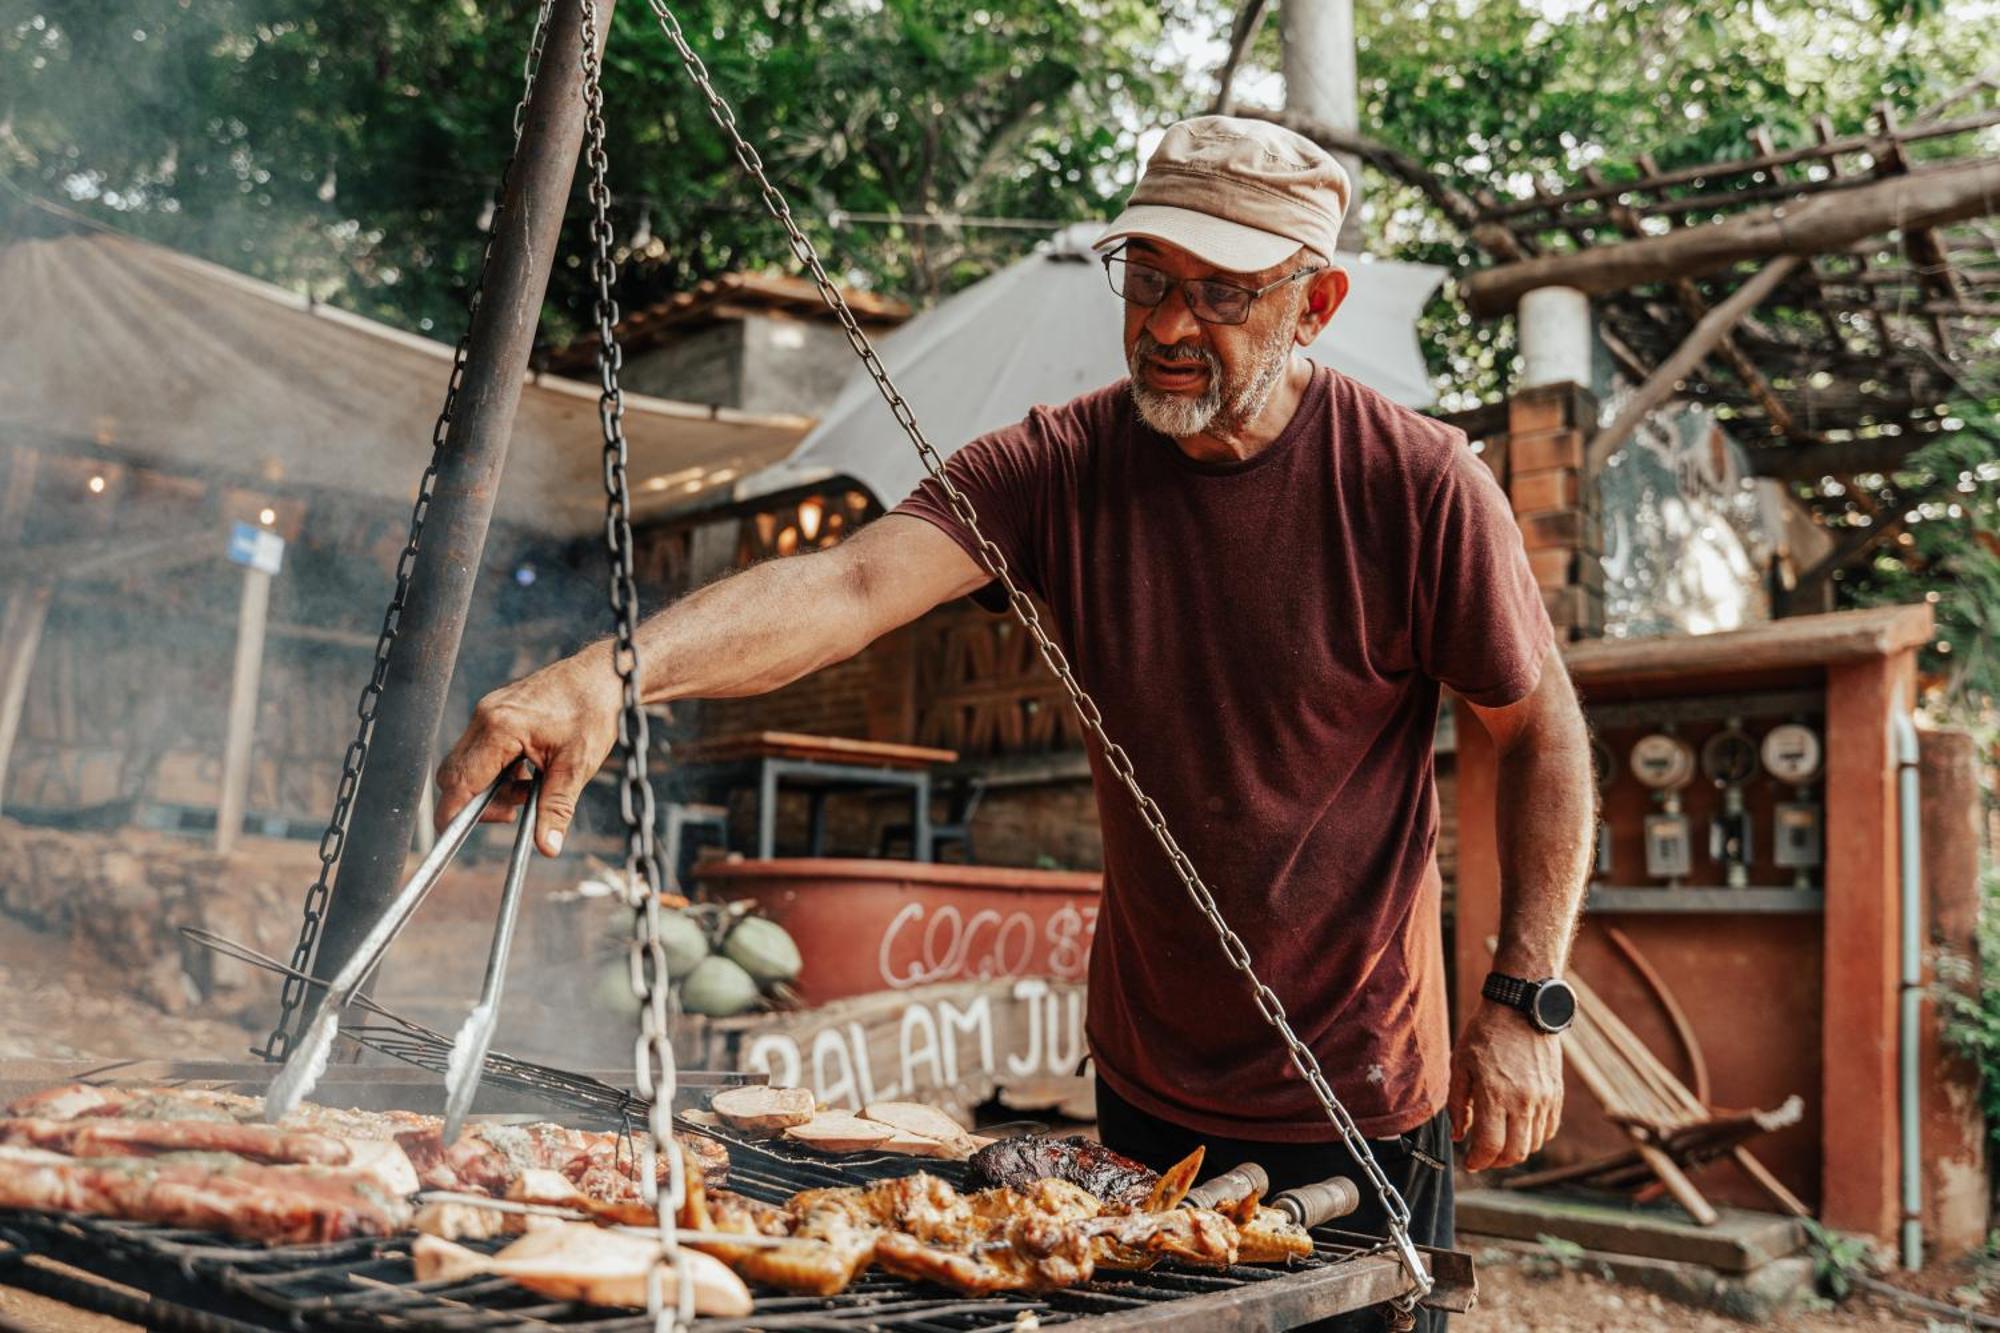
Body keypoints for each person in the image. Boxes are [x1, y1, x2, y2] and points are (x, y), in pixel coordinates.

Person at [435, 115, 1594, 1330]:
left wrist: (1524, 998)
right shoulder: (1059, 465)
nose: (1162, 325)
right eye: (1144, 279)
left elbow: (1543, 735)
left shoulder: (1418, 488)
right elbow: (846, 588)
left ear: (1313, 305)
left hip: (1359, 1083)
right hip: (1145, 1077)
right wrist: (609, 674)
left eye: (1218, 294)